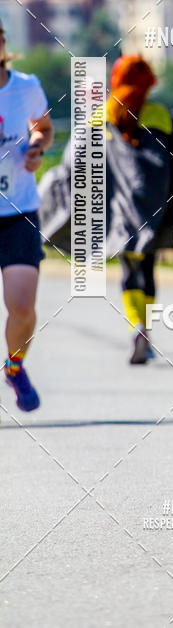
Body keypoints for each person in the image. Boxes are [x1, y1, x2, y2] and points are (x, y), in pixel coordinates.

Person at [105, 56, 173, 364]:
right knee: (148, 268)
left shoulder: (103, 115)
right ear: (149, 82)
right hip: (154, 208)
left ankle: (135, 325)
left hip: (120, 210)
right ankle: (146, 330)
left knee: (128, 269)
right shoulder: (161, 115)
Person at [0, 20, 54, 411]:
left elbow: (44, 127)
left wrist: (37, 147)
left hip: (18, 210)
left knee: (22, 307)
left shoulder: (26, 86)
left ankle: (14, 366)